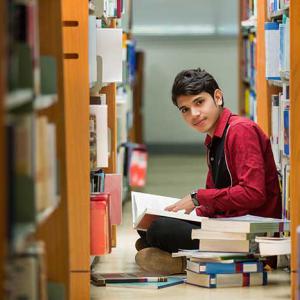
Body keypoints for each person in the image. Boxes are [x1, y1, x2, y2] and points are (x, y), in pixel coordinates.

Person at [135, 68, 282, 275]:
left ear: (218, 97)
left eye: (199, 102)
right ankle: (180, 254)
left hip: (249, 234)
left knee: (160, 230)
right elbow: (216, 198)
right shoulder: (214, 139)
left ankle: (187, 262)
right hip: (229, 223)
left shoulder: (241, 131)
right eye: (185, 109)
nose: (194, 114)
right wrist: (194, 212)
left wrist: (198, 198)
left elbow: (253, 193)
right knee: (149, 227)